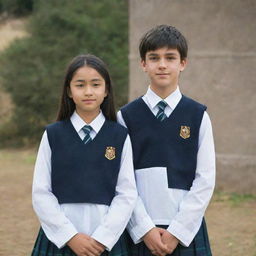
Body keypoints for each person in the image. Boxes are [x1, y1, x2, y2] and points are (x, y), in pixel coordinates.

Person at [117, 25, 215, 256]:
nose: (162, 64)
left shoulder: (198, 115)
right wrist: (145, 228)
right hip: (139, 232)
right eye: (154, 58)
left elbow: (205, 179)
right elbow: (123, 180)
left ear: (183, 63)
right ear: (143, 64)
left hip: (184, 232)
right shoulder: (126, 117)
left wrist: (178, 231)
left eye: (170, 58)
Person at [31, 54, 137, 256]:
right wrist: (70, 236)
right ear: (69, 91)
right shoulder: (53, 135)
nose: (88, 92)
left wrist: (102, 238)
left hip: (106, 242)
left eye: (96, 85)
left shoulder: (119, 136)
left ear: (106, 90)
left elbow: (127, 193)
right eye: (80, 85)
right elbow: (41, 192)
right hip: (61, 240)